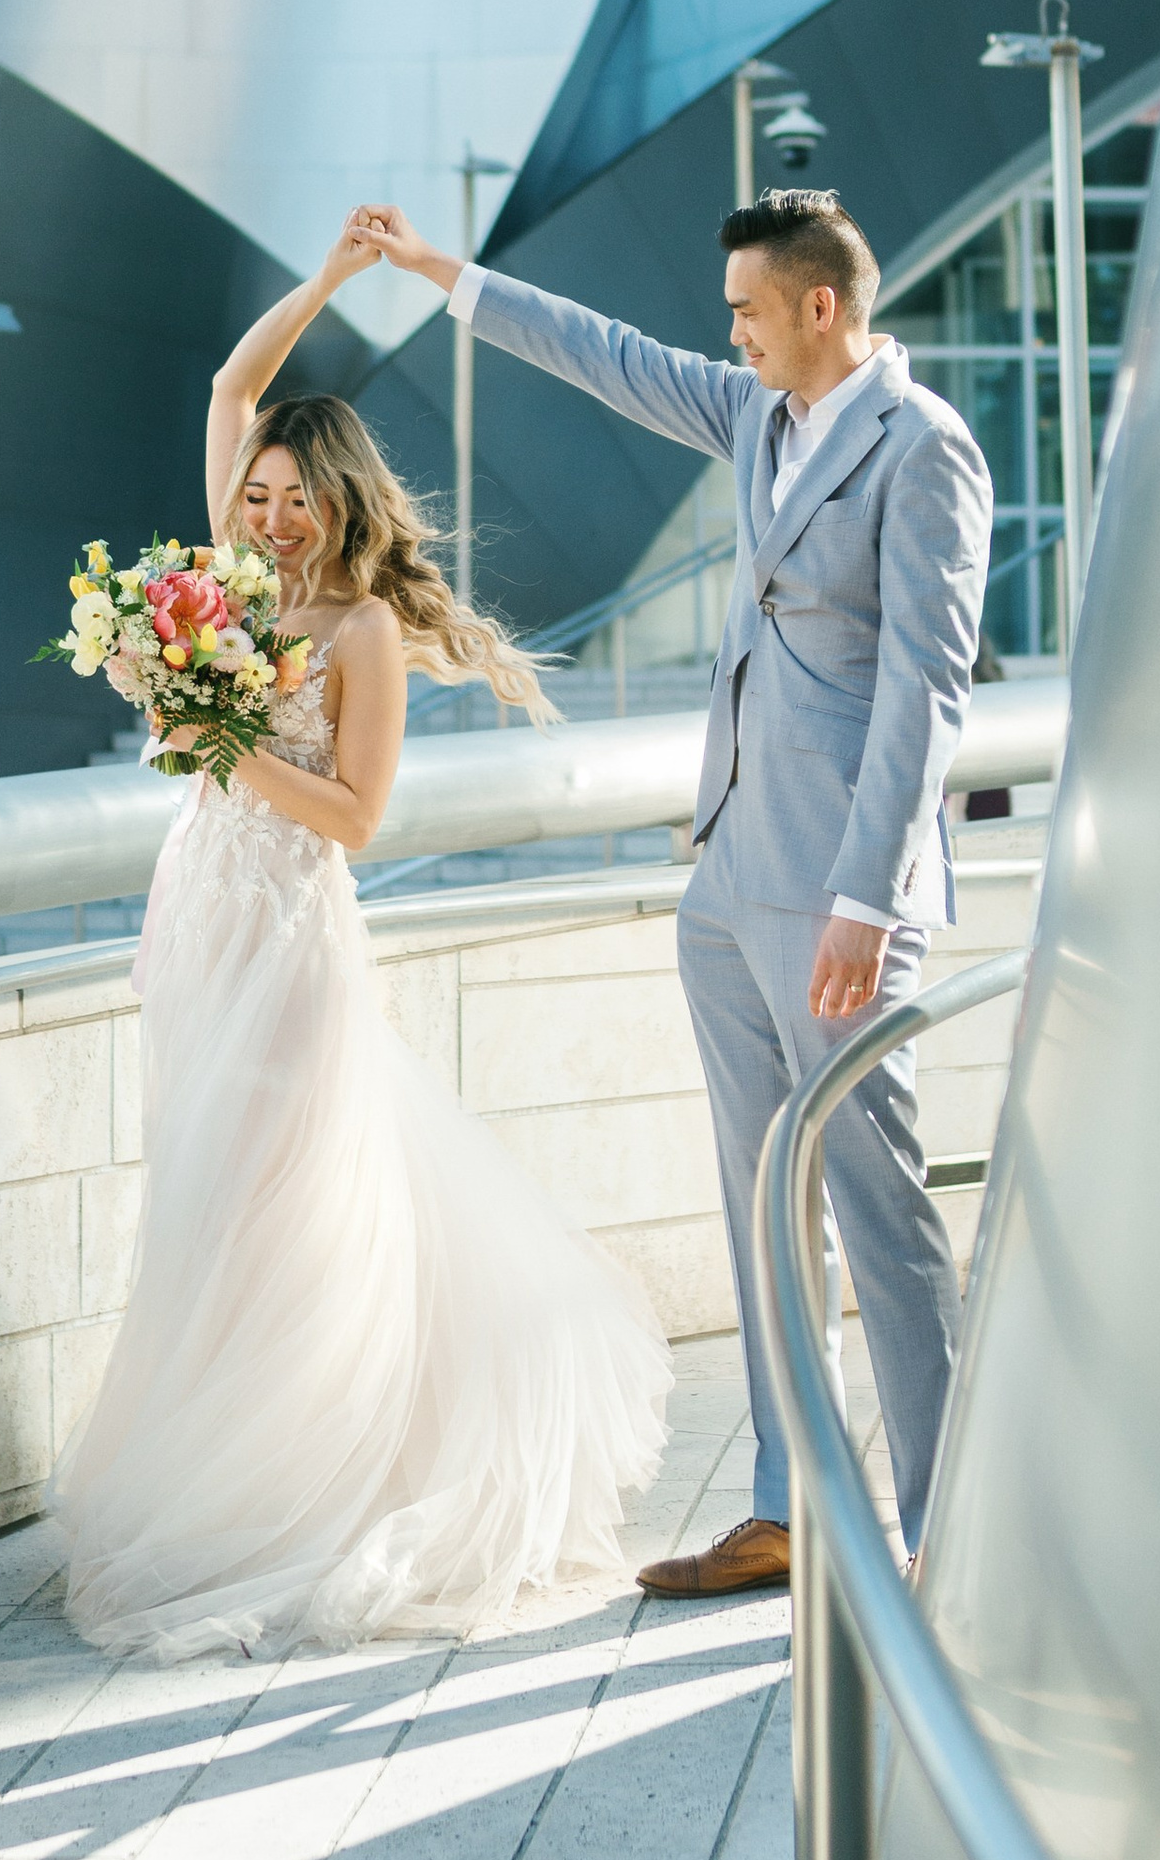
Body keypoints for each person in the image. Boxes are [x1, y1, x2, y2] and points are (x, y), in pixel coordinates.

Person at [349, 187, 990, 1594]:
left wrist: (867, 900)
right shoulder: (758, 416)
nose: (734, 334)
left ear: (823, 305)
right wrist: (438, 273)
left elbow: (924, 691)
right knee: (769, 1213)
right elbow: (604, 353)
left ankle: (954, 1527)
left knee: (882, 1216)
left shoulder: (922, 448)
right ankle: (794, 1506)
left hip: (841, 891)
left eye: (752, 310)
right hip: (730, 877)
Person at [55, 226, 671, 1659]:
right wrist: (331, 285)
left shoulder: (361, 633)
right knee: (204, 1195)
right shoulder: (224, 586)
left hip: (291, 934)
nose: (264, 517)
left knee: (284, 1199)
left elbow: (355, 814)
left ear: (338, 506)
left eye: (289, 498)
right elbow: (227, 384)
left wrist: (213, 735)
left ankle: (304, 1491)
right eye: (254, 494)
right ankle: (216, 1470)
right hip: (203, 918)